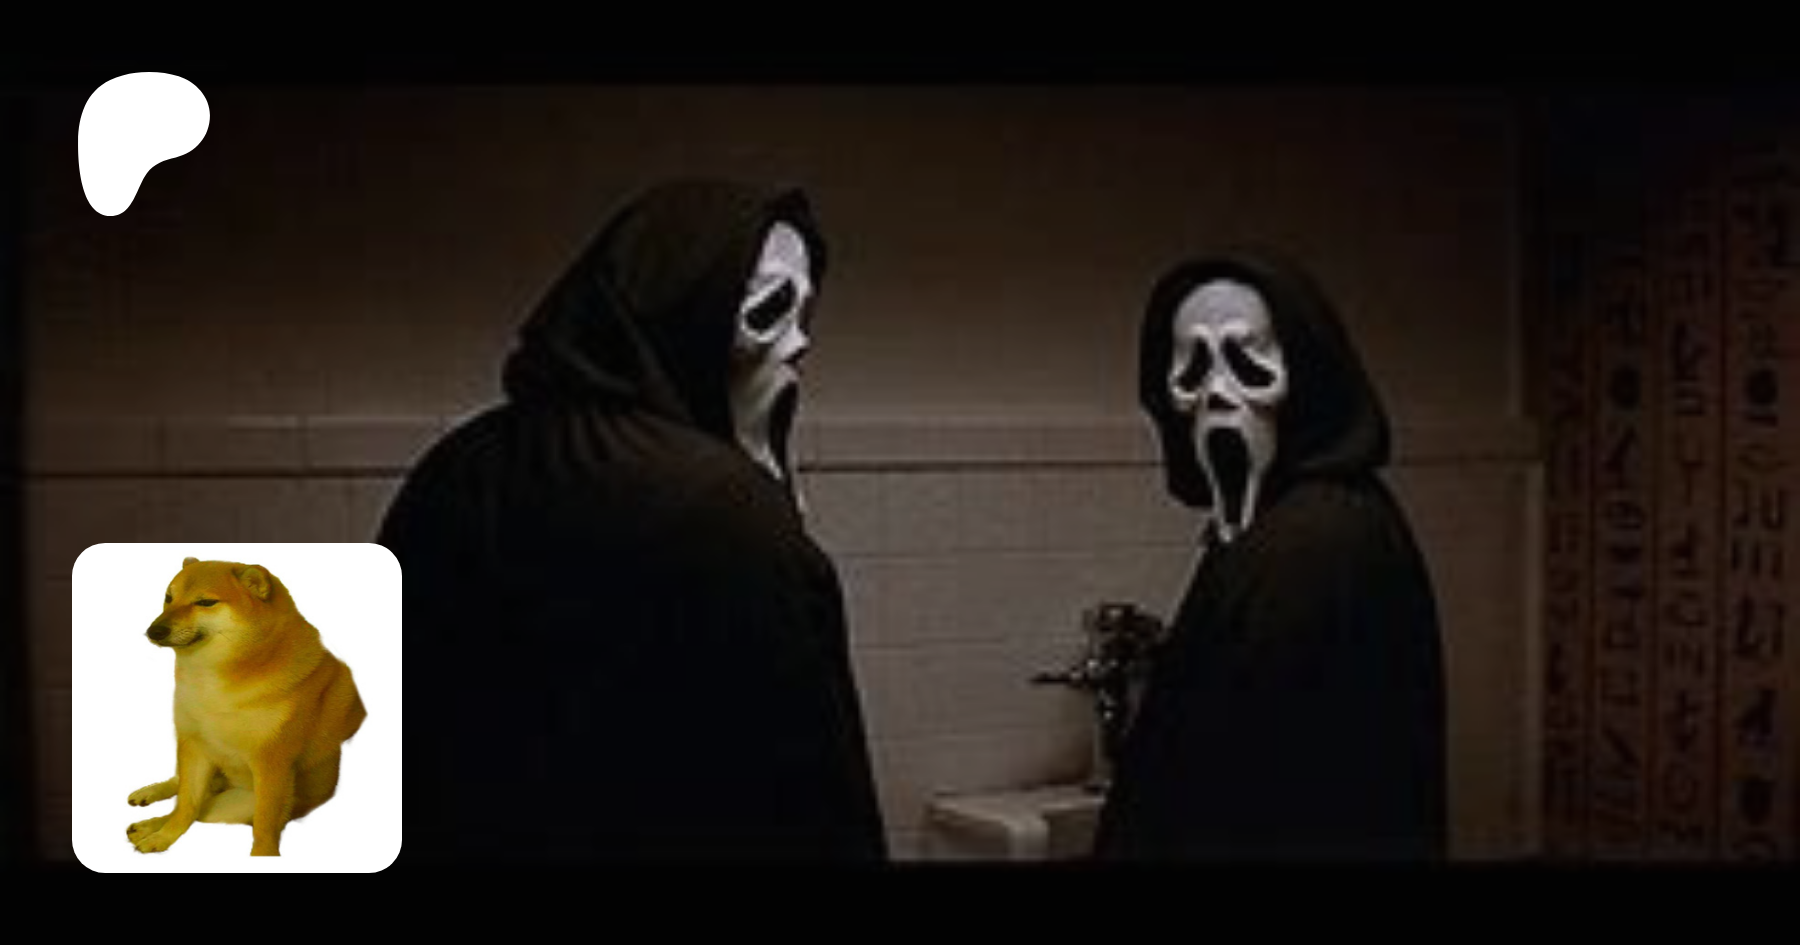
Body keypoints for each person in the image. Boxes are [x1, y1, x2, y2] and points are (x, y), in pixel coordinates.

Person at [377, 178, 886, 862]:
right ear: (689, 311)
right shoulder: (726, 510)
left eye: (805, 314)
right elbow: (815, 786)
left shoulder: (455, 466)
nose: (799, 343)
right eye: (769, 309)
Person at [1093, 249, 1448, 861]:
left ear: (1306, 375)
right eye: (1193, 368)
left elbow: (1237, 783)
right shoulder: (1299, 526)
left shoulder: (1308, 548)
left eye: (1246, 361)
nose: (1218, 394)